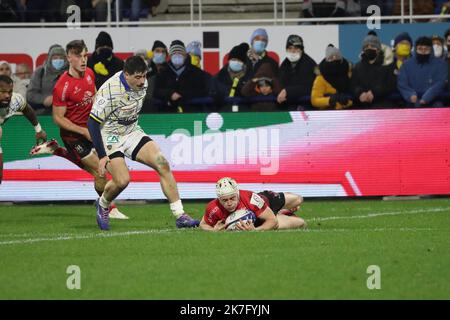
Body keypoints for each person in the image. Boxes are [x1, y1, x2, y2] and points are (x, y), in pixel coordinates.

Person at [87, 55, 200, 230]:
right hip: (111, 136)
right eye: (137, 77)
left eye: (144, 76)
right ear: (126, 74)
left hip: (131, 131)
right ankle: (103, 204)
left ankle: (180, 215)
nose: (142, 81)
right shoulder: (109, 90)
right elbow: (92, 122)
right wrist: (102, 155)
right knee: (123, 180)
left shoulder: (143, 82)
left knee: (162, 163)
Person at [30, 40, 127, 220]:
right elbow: (58, 118)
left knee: (100, 174)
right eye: (78, 56)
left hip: (92, 130)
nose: (83, 60)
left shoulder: (89, 74)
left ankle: (56, 150)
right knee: (104, 170)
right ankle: (109, 208)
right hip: (74, 136)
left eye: (85, 56)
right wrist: (82, 131)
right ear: (69, 58)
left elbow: (95, 95)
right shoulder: (62, 85)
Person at [200, 177, 306, 232]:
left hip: (266, 202)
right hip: (260, 220)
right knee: (302, 223)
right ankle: (282, 213)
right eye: (224, 200)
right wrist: (213, 231)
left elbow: (271, 220)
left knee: (298, 199)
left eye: (232, 198)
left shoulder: (251, 199)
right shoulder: (213, 207)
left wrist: (255, 231)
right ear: (219, 199)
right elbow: (203, 224)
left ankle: (282, 210)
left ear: (238, 193)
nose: (229, 203)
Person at [0, 75, 47, 184]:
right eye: (2, 92)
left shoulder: (15, 100)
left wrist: (39, 129)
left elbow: (27, 109)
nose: (7, 95)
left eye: (9, 92)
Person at [153, 40, 212, 113]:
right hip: (168, 114)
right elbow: (156, 91)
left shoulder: (198, 73)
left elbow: (204, 90)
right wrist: (169, 94)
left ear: (185, 55)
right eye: (174, 53)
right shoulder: (162, 73)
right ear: (170, 56)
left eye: (180, 53)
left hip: (193, 113)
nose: (177, 55)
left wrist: (183, 94)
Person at [397, 36, 448, 108]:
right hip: (411, 102)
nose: (423, 51)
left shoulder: (441, 64)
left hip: (435, 102)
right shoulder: (407, 64)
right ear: (415, 49)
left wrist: (427, 97)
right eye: (420, 49)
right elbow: (402, 83)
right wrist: (410, 95)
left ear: (431, 50)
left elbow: (440, 82)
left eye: (426, 49)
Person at [351, 35, 396, 109]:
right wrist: (360, 93)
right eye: (366, 47)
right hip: (362, 105)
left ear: (378, 49)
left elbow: (391, 84)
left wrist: (374, 93)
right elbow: (353, 85)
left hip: (383, 104)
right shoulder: (358, 66)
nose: (369, 48)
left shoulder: (388, 64)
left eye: (372, 46)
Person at [278, 34, 318, 110]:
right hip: (288, 107)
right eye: (290, 48)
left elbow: (310, 87)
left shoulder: (309, 64)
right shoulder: (284, 64)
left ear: (301, 49)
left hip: (306, 108)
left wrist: (288, 91)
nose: (293, 51)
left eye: (296, 48)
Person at [27, 44, 68, 114]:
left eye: (61, 58)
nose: (58, 60)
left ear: (66, 59)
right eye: (55, 58)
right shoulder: (40, 72)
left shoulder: (71, 72)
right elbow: (30, 94)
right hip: (43, 114)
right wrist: (43, 99)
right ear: (49, 59)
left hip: (67, 114)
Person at [212, 42, 251, 112]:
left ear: (243, 63)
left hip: (244, 114)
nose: (235, 62)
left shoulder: (249, 77)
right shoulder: (219, 77)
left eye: (238, 60)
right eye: (233, 59)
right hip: (223, 113)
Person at [311, 44, 352, 110]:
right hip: (327, 113)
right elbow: (314, 100)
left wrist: (346, 102)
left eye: (337, 57)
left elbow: (354, 98)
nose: (334, 59)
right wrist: (329, 100)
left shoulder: (348, 75)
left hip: (347, 113)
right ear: (327, 60)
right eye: (331, 57)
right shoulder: (321, 78)